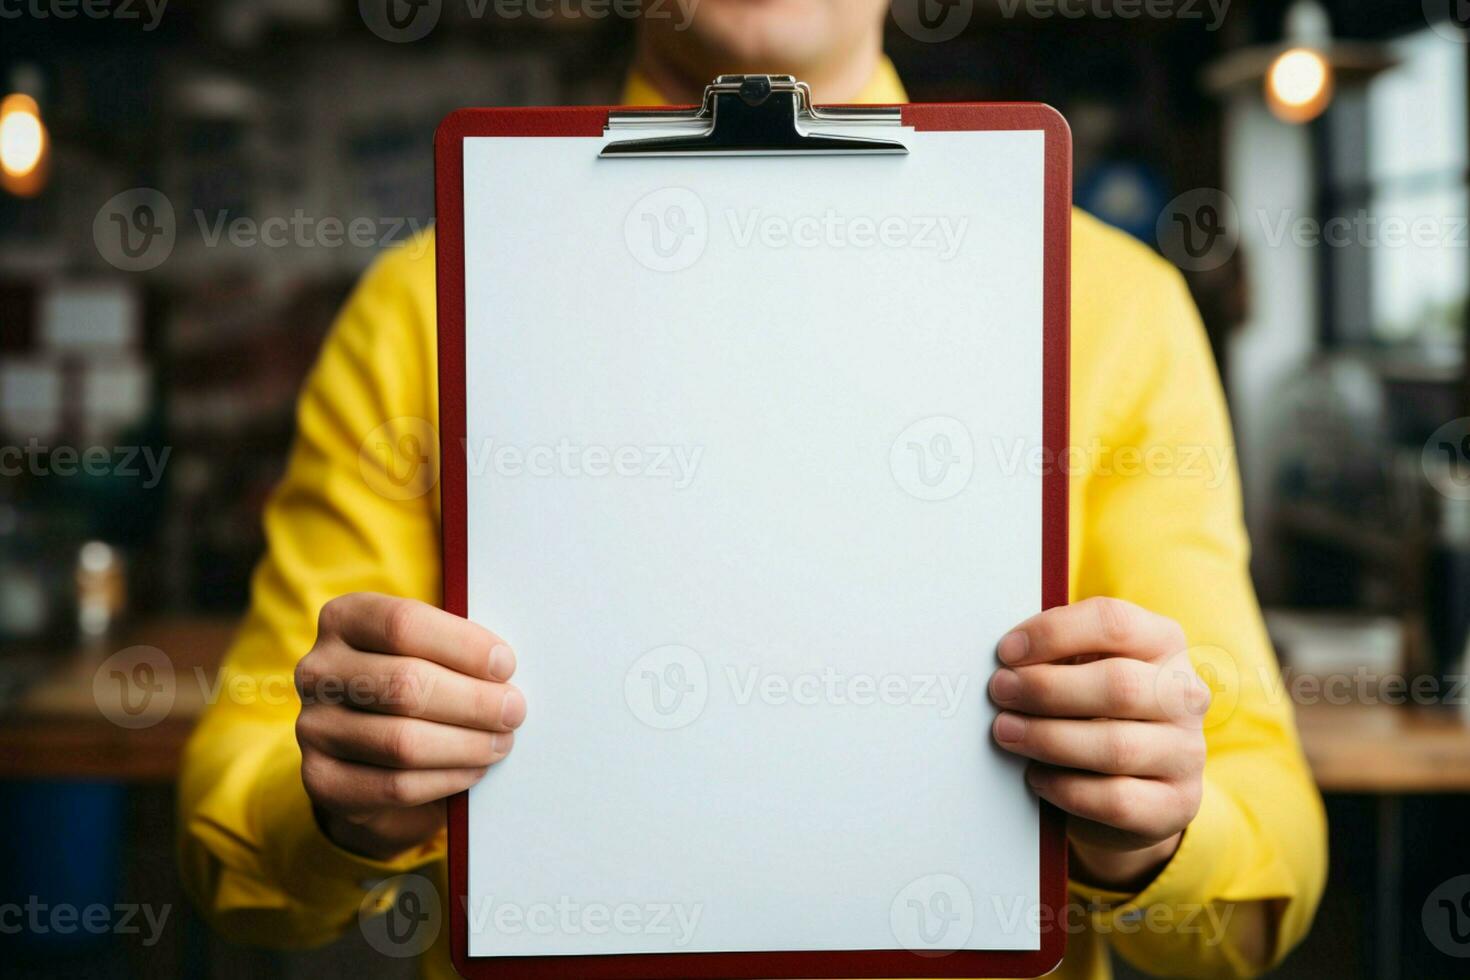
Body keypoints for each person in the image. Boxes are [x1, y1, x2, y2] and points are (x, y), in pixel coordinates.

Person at [178, 2, 1327, 977]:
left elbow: (1264, 865)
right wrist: (342, 806)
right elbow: (230, 842)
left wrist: (1148, 837)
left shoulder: (1119, 306)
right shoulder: (418, 306)